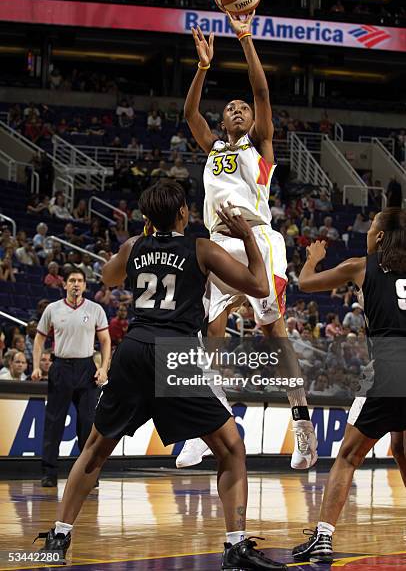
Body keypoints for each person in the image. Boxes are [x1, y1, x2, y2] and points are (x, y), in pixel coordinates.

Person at [35, 180, 287, 570]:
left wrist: (141, 240)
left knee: (95, 448)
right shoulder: (201, 248)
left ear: (147, 217)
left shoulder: (135, 246)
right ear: (184, 213)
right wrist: (249, 237)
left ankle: (59, 536)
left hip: (134, 350)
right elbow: (258, 283)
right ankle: (236, 547)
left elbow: (108, 276)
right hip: (175, 353)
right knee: (231, 448)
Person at [180, 15, 317, 470]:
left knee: (272, 333)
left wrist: (244, 38)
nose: (239, 109)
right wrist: (202, 68)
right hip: (219, 241)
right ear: (223, 121)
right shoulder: (215, 148)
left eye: (244, 107)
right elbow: (190, 116)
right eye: (231, 107)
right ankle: (211, 423)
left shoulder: (260, 145)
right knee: (209, 332)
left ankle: (302, 427)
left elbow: (261, 92)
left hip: (258, 236)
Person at [292, 208, 406, 563]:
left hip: (389, 365)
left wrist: (313, 259)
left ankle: (323, 535)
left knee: (349, 456)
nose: (368, 233)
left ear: (381, 237)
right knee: (401, 447)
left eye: (372, 227)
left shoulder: (362, 265)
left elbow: (305, 284)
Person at [32, 268, 111, 487]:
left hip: (86, 368)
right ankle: (49, 473)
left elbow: (105, 341)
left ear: (85, 285)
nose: (76, 284)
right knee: (54, 423)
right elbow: (39, 340)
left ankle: (88, 473)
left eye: (80, 281)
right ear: (65, 284)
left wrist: (103, 368)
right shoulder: (53, 309)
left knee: (87, 424)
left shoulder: (95, 309)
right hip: (61, 367)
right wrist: (37, 366)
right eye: (72, 280)